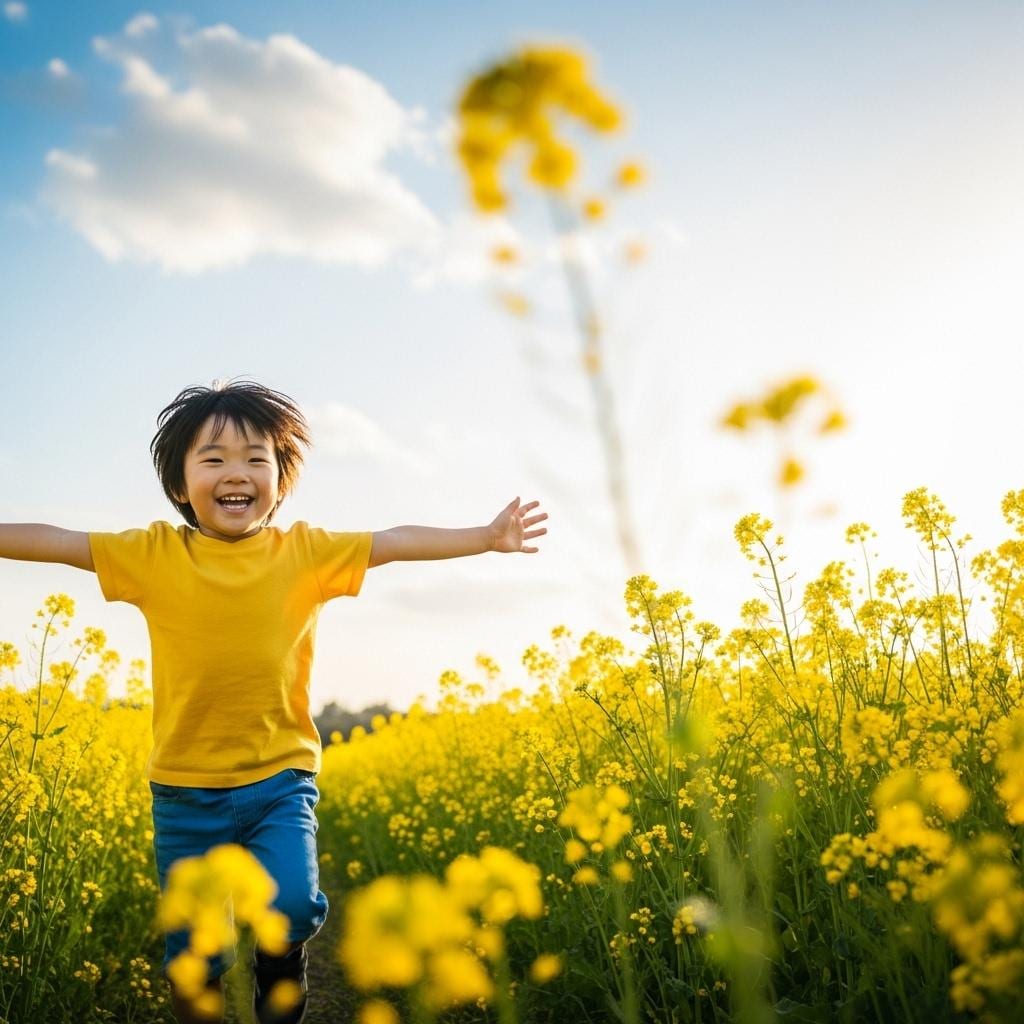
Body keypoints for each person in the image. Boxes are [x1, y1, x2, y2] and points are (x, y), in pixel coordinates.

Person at [0, 379, 549, 1024]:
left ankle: (280, 978)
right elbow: (58, 543)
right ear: (180, 484)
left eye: (257, 459)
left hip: (280, 780)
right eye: (213, 459)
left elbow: (394, 542)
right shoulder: (150, 553)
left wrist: (484, 537)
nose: (237, 474)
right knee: (194, 958)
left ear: (280, 481)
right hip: (183, 790)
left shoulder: (306, 552)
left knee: (289, 907)